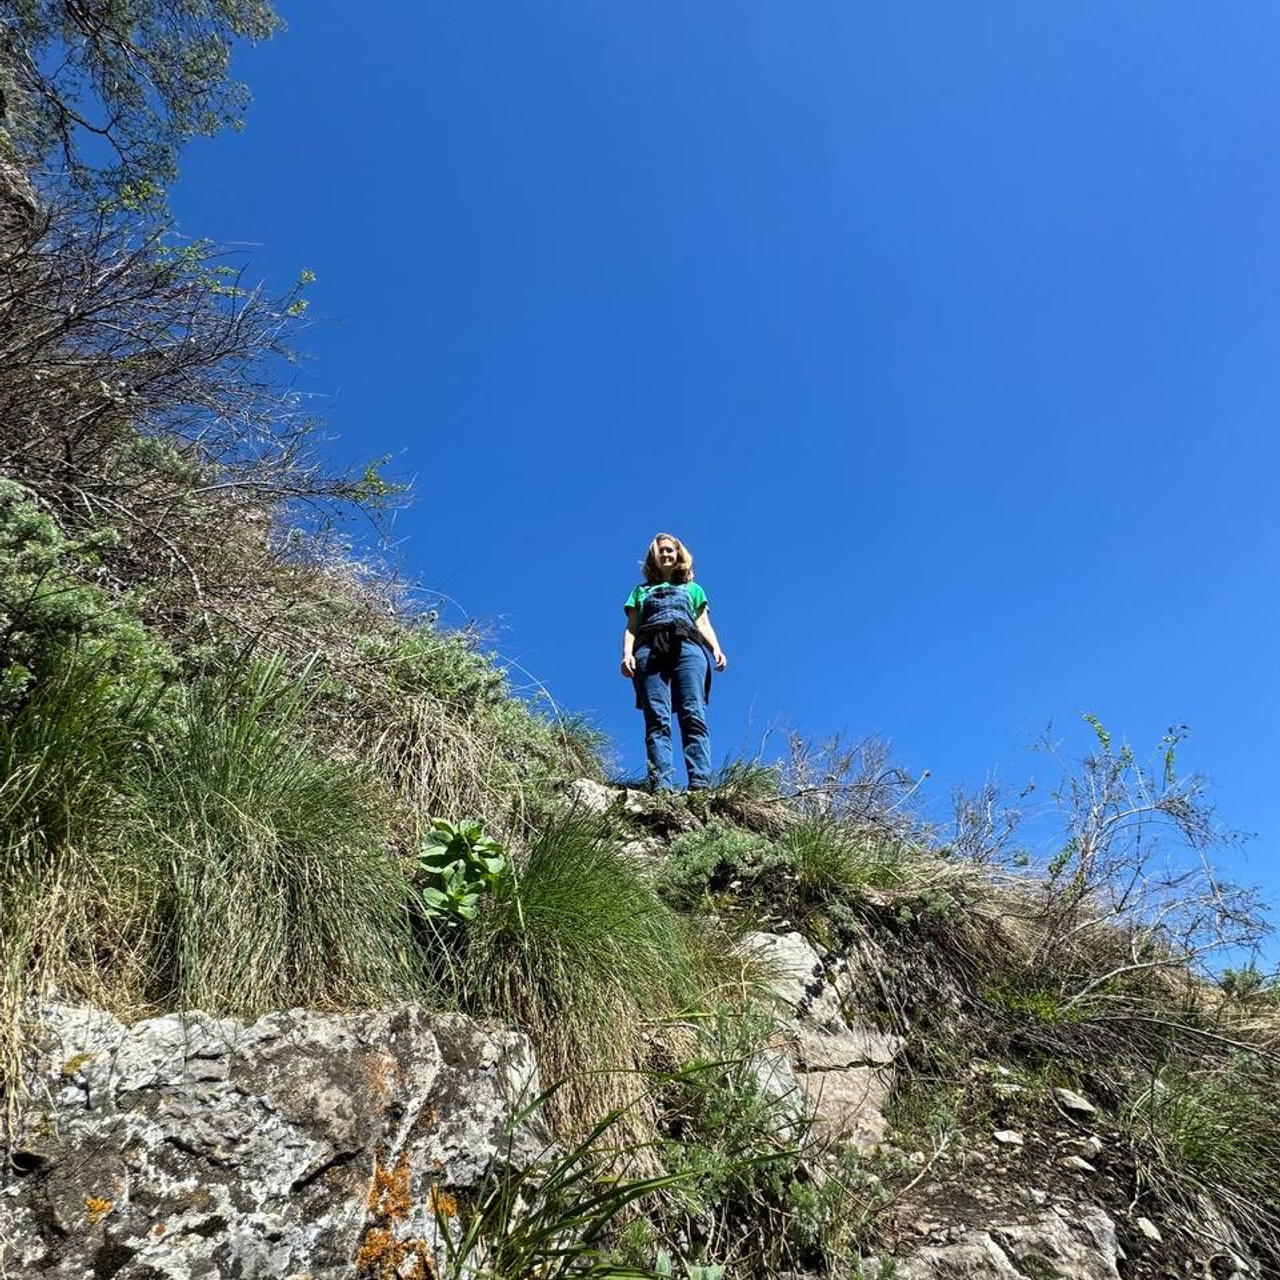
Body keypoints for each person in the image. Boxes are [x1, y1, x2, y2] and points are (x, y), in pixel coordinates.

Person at [620, 533, 727, 792]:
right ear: (654, 557)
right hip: (649, 649)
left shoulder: (693, 589)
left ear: (679, 555)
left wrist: (716, 649)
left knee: (693, 714)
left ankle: (700, 786)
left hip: (688, 647)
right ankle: (661, 788)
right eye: (661, 551)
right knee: (657, 719)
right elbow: (632, 627)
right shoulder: (640, 591)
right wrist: (627, 653)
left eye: (671, 550)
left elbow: (702, 623)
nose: (666, 554)